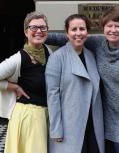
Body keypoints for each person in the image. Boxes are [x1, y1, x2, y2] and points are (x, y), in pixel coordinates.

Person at [45, 6, 119, 153]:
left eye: (118, 26)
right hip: (115, 122)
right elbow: (72, 37)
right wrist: (39, 35)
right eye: (109, 26)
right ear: (103, 28)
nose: (113, 30)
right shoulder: (98, 44)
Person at [0, 11, 52, 153]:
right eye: (34, 27)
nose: (39, 31)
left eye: (43, 28)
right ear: (26, 32)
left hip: (44, 115)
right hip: (29, 117)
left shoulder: (48, 52)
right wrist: (13, 86)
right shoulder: (18, 58)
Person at [45, 14, 104, 153]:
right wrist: (56, 130)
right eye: (74, 29)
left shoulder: (91, 55)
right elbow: (52, 96)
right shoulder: (57, 57)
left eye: (82, 29)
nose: (78, 33)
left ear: (87, 32)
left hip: (93, 125)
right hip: (69, 126)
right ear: (67, 33)